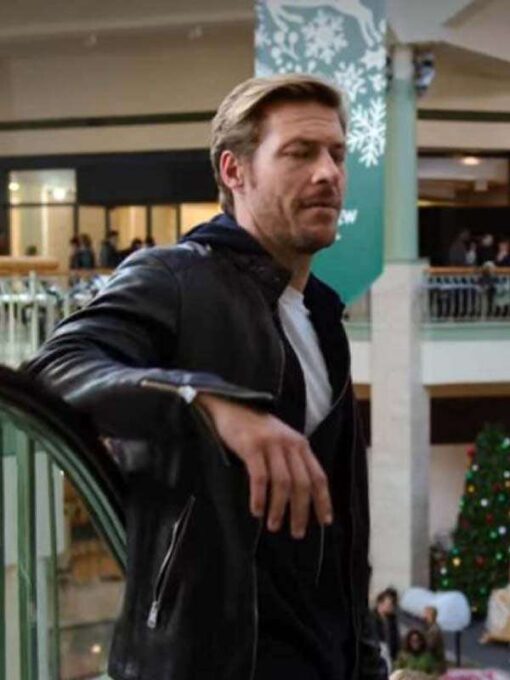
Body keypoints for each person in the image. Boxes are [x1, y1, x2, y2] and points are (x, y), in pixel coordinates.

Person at [24, 74, 386, 680]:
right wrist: (206, 403)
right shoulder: (175, 277)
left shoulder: (324, 316)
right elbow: (53, 368)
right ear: (234, 170)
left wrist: (367, 661)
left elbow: (343, 540)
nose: (328, 173)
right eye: (300, 153)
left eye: (337, 154)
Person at [373, 589, 401, 666]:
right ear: (380, 603)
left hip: (389, 657)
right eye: (390, 604)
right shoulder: (371, 619)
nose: (392, 607)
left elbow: (396, 640)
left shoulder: (392, 621)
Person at [423, 606, 447, 674]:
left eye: (426, 614)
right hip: (434, 663)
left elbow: (430, 646)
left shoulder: (434, 630)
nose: (424, 616)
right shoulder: (430, 627)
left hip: (435, 665)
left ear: (432, 616)